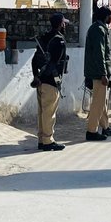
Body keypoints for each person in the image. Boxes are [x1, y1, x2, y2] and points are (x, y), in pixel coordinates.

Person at [32, 12, 69, 151]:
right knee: (49, 113)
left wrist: (36, 76)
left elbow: (35, 60)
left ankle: (42, 139)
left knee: (42, 112)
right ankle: (48, 141)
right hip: (51, 81)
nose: (65, 25)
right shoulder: (59, 40)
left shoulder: (44, 38)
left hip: (41, 81)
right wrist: (45, 76)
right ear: (60, 24)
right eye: (64, 23)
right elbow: (55, 63)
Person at [83, 5, 111, 141]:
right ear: (106, 16)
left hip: (98, 72)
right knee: (98, 103)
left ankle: (105, 126)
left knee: (101, 101)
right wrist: (103, 73)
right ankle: (91, 131)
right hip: (98, 73)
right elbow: (99, 53)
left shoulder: (99, 28)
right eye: (110, 16)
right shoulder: (98, 30)